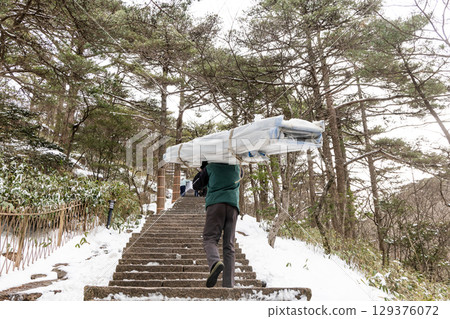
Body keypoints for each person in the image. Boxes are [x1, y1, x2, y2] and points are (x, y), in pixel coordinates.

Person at [193, 161, 241, 288]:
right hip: (233, 207)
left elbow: (196, 185)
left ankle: (215, 263)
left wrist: (203, 169)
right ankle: (228, 284)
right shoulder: (237, 168)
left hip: (216, 205)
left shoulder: (210, 168)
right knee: (229, 245)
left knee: (210, 238)